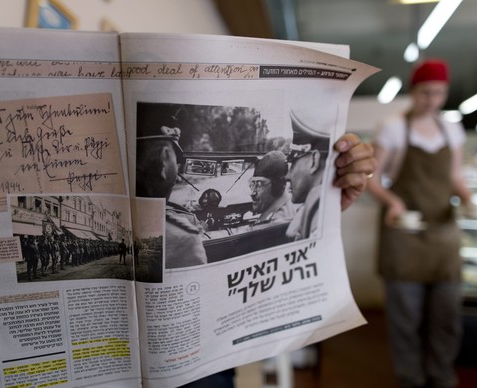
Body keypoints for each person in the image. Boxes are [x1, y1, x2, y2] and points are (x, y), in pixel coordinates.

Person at [179, 133, 376, 388]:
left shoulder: (284, 220)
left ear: (277, 185)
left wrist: (330, 206)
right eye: (251, 185)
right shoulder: (291, 215)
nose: (252, 192)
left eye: (257, 184)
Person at [366, 59, 473, 388]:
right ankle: (410, 379)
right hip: (404, 236)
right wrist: (393, 202)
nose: (433, 100)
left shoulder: (451, 129)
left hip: (443, 236)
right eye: (426, 93)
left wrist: (469, 199)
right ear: (413, 91)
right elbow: (372, 178)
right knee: (406, 320)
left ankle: (442, 377)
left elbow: (454, 175)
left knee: (446, 317)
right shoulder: (393, 127)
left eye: (440, 94)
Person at [136, 125, 209, 269]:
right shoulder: (184, 240)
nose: (178, 176)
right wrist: (199, 234)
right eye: (176, 161)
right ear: (163, 162)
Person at [285, 110, 330, 240]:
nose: (287, 176)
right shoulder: (317, 202)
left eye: (293, 161)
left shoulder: (318, 204)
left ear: (314, 161)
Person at [248, 150, 296, 224]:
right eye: (252, 184)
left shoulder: (276, 221)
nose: (252, 193)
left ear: (276, 187)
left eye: (259, 184)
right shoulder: (287, 207)